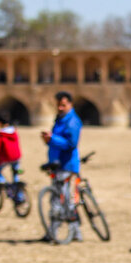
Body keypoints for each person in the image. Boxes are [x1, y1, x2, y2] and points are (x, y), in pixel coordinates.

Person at [41, 91, 83, 241]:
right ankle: (74, 233)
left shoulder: (72, 121)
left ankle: (55, 233)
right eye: (58, 105)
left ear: (70, 104)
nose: (60, 107)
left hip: (67, 165)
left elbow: (71, 143)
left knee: (61, 200)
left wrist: (52, 139)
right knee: (62, 199)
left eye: (63, 105)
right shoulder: (60, 120)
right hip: (57, 165)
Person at [0, 115, 22, 184]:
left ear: (0, 123)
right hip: (17, 156)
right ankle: (19, 193)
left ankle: (3, 182)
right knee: (15, 174)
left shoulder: (1, 134)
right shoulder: (14, 132)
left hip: (7, 157)